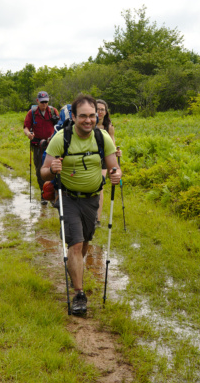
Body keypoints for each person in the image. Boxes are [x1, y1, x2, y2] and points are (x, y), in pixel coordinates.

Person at [41, 94, 122, 316]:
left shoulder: (102, 137)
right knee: (75, 245)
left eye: (92, 116)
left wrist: (116, 174)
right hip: (67, 197)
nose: (88, 120)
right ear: (74, 117)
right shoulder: (61, 138)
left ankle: (75, 268)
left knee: (85, 241)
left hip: (92, 198)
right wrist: (53, 169)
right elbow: (43, 171)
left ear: (97, 116)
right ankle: (79, 293)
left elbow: (114, 165)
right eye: (83, 116)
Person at [23, 91, 59, 205]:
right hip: (38, 145)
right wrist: (28, 134)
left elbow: (60, 126)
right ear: (37, 101)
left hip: (52, 144)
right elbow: (26, 127)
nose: (44, 104)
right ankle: (43, 194)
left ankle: (53, 195)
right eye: (42, 102)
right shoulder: (32, 113)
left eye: (46, 102)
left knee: (54, 169)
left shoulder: (53, 111)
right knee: (39, 170)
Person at [95, 99, 121, 226]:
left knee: (100, 185)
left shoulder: (109, 127)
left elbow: (112, 144)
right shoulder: (88, 124)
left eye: (102, 109)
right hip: (89, 158)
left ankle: (97, 219)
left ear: (106, 112)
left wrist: (116, 153)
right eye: (97, 108)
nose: (99, 111)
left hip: (103, 160)